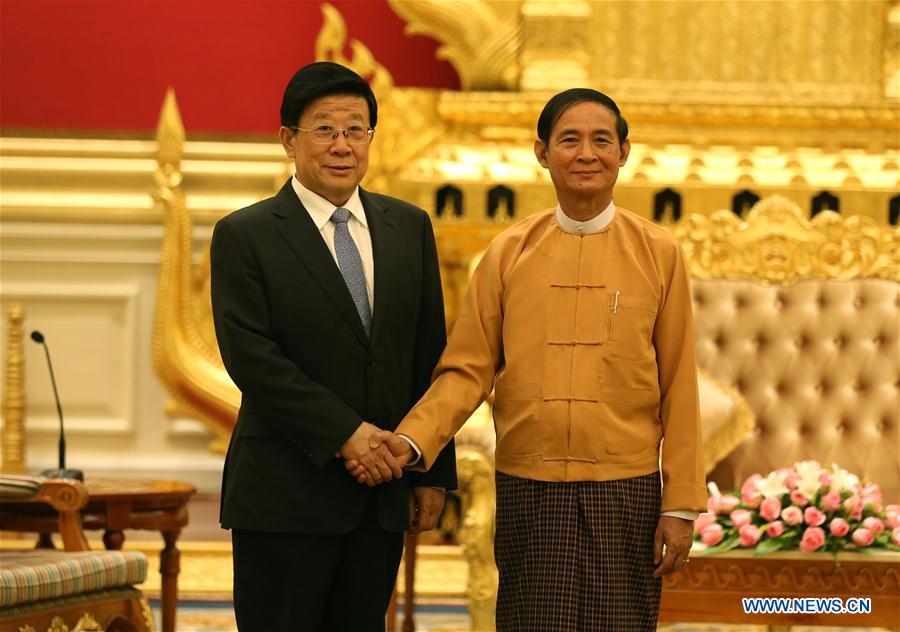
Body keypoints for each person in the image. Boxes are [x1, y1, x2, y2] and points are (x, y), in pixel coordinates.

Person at [356, 88, 706, 630]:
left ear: (624, 151)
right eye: (569, 140)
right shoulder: (507, 252)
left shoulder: (658, 252)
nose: (586, 154)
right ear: (542, 153)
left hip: (626, 490)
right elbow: (466, 369)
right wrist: (409, 440)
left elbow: (680, 381)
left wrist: (680, 506)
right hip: (529, 488)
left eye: (600, 140)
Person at [210, 61, 456, 632]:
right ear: (289, 140)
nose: (342, 145)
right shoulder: (246, 234)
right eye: (324, 129)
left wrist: (431, 470)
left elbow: (430, 355)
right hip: (285, 496)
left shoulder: (409, 227)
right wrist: (348, 435)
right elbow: (253, 359)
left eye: (356, 129)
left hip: (382, 497)